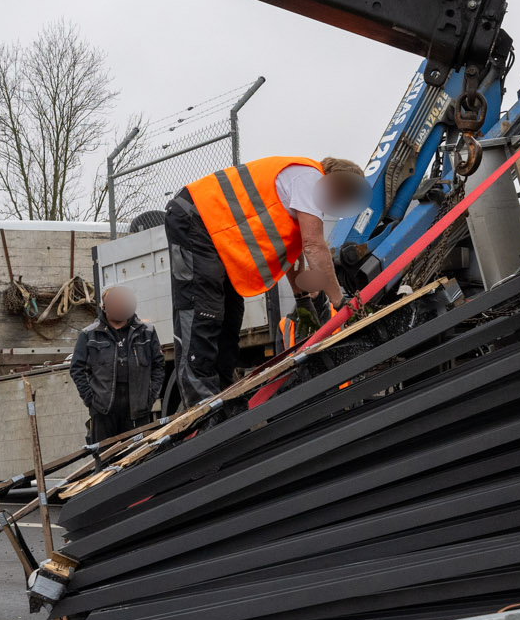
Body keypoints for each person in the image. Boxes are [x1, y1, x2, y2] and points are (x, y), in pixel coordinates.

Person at [162, 154, 367, 410]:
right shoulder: (310, 178)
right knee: (204, 310)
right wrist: (341, 302)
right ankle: (201, 406)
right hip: (195, 218)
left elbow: (294, 255)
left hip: (214, 234)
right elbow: (315, 246)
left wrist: (302, 299)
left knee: (230, 315)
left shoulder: (301, 190)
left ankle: (222, 399)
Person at [69, 284, 163, 444]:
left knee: (138, 459)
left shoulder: (146, 332)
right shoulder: (89, 334)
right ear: (104, 307)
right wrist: (91, 401)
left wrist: (150, 397)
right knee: (106, 460)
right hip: (104, 410)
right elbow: (77, 369)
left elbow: (158, 366)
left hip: (137, 410)